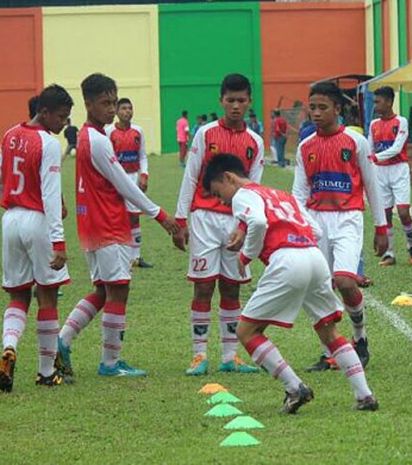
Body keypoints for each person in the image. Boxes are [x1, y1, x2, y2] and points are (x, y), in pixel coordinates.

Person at [203, 154, 379, 413]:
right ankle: (365, 395)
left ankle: (295, 388)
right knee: (329, 332)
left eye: (219, 193)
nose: (222, 201)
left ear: (228, 177)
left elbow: (259, 222)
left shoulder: (243, 195)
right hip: (313, 256)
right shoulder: (279, 194)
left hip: (287, 261)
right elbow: (316, 230)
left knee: (246, 331)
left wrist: (247, 254)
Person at [55, 73, 179, 380]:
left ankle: (62, 340)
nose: (111, 109)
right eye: (104, 103)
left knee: (102, 290)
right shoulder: (97, 141)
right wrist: (161, 216)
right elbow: (124, 183)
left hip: (93, 224)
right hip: (107, 223)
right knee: (119, 290)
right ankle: (110, 362)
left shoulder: (88, 136)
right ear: (88, 103)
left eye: (113, 102)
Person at [293, 82, 388, 372]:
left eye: (323, 107)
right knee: (320, 288)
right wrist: (302, 226)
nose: (317, 113)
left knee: (345, 282)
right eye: (313, 107)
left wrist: (382, 227)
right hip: (317, 221)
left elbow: (372, 185)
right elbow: (298, 194)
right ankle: (328, 351)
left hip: (348, 218)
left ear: (338, 108)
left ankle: (360, 338)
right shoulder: (305, 146)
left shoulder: (356, 142)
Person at [173, 73, 264, 377]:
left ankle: (230, 355)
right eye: (230, 100)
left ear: (250, 102)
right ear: (221, 101)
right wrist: (181, 219)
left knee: (232, 286)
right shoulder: (206, 133)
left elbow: (255, 188)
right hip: (204, 219)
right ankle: (199, 355)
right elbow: (191, 175)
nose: (235, 106)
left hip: (235, 221)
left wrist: (245, 224)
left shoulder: (256, 143)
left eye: (241, 100)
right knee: (203, 286)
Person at [0, 85, 74, 392]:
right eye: (61, 116)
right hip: (38, 221)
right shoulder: (48, 142)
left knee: (18, 295)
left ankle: (8, 348)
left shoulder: (9, 134)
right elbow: (49, 192)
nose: (64, 123)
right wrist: (59, 242)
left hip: (10, 219)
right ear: (44, 112)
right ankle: (46, 372)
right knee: (47, 293)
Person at [368, 86, 412, 267]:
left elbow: (397, 148)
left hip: (399, 170)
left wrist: (374, 157)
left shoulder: (401, 121)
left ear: (389, 102)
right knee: (386, 214)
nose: (375, 105)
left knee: (404, 213)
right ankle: (390, 253)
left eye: (377, 101)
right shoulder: (374, 124)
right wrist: (370, 160)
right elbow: (369, 148)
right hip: (380, 172)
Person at [105, 98, 152, 269]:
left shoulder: (138, 131)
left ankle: (136, 257)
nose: (127, 111)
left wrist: (144, 174)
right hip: (116, 180)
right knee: (117, 217)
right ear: (117, 112)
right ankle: (119, 255)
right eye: (124, 108)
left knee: (134, 217)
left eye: (130, 108)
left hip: (133, 179)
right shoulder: (109, 132)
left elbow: (142, 156)